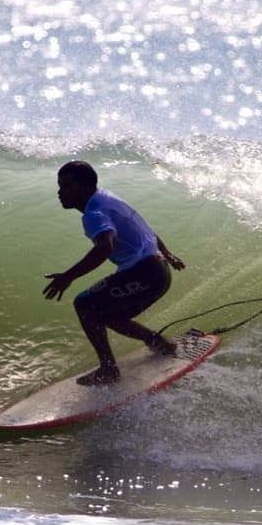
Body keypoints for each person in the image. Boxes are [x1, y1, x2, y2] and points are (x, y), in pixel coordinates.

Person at [43, 160, 186, 386]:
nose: (60, 193)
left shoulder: (93, 212)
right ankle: (159, 343)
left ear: (85, 187)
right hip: (158, 271)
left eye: (67, 186)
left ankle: (109, 369)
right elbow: (146, 230)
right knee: (106, 314)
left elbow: (105, 247)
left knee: (84, 304)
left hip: (145, 273)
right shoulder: (108, 198)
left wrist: (67, 277)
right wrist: (168, 255)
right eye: (60, 186)